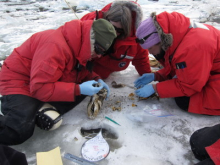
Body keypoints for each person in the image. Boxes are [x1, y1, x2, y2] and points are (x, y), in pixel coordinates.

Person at [0, 18, 117, 145]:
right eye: (99, 50)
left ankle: (41, 109)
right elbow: (39, 88)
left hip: (42, 80)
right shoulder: (55, 46)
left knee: (79, 93)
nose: (99, 55)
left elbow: (79, 71)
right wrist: (79, 89)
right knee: (18, 130)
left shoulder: (80, 44)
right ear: (91, 40)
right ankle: (34, 110)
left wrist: (96, 79)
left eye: (103, 52)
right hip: (19, 81)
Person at [134, 11, 220, 115]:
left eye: (151, 48)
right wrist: (157, 75)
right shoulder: (179, 35)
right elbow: (183, 67)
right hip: (210, 70)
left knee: (184, 101)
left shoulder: (192, 47)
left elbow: (190, 85)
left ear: (161, 40)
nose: (150, 53)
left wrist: (156, 88)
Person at [80, 1, 151, 79]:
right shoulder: (89, 22)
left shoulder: (135, 35)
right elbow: (74, 51)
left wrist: (148, 76)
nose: (114, 33)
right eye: (112, 28)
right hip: (84, 73)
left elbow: (141, 59)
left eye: (120, 30)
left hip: (103, 75)